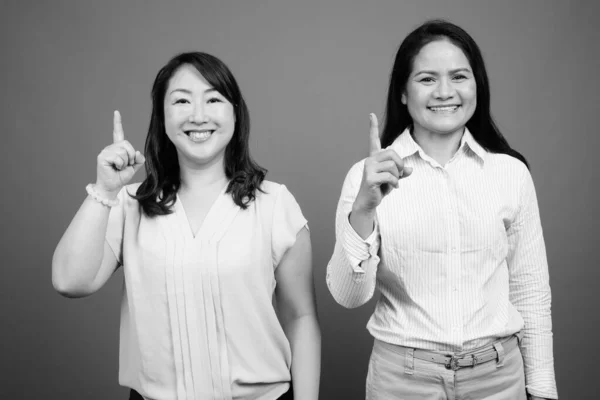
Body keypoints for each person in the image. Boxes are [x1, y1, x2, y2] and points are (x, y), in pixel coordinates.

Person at [52, 52, 321, 400]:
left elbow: (301, 318)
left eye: (213, 99)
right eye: (181, 101)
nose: (198, 115)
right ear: (162, 118)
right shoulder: (129, 203)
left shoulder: (274, 203)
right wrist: (104, 190)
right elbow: (69, 281)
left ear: (235, 114)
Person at [326, 20, 557, 400]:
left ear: (476, 86)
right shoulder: (367, 178)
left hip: (498, 378)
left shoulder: (510, 174)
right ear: (403, 92)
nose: (445, 92)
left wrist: (543, 388)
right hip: (402, 381)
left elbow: (530, 291)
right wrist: (364, 209)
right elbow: (349, 296)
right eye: (427, 79)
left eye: (459, 77)